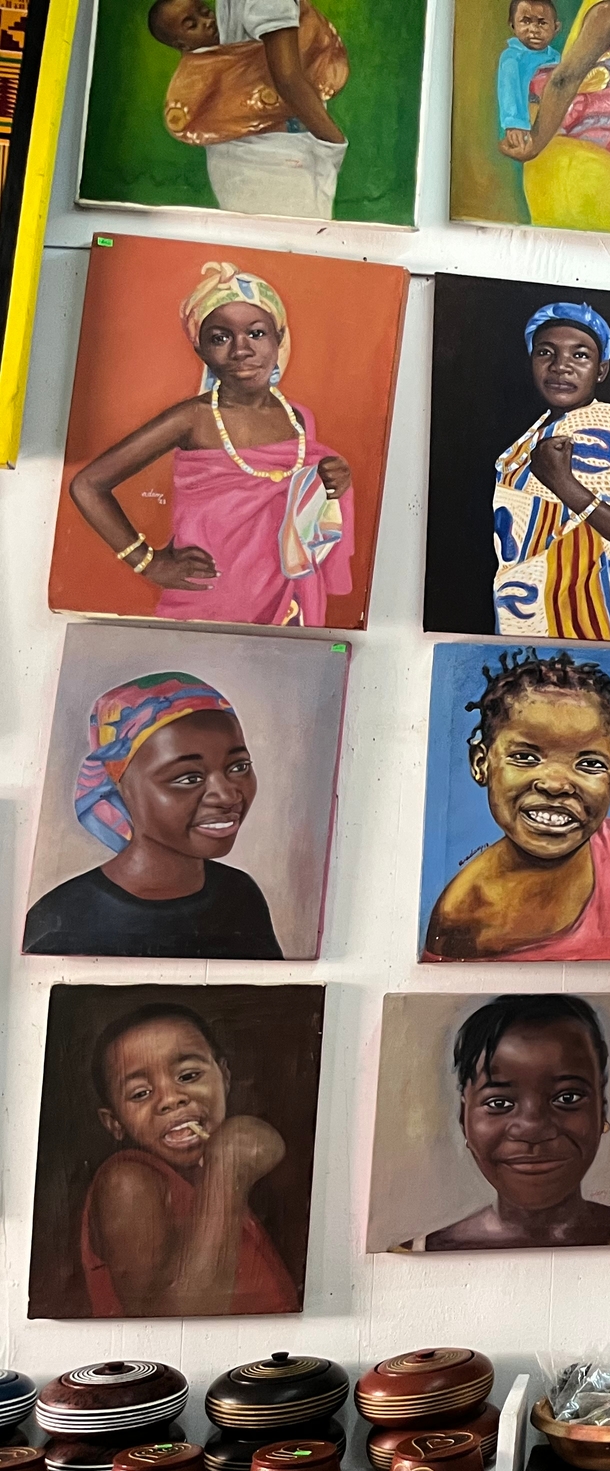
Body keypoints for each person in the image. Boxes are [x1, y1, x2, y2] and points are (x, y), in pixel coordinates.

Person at [68, 262, 355, 628]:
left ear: (279, 337)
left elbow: (304, 506)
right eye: (220, 338)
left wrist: (333, 481)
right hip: (209, 598)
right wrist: (147, 562)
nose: (241, 350)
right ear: (200, 349)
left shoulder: (299, 418)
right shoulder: (192, 418)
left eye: (256, 333)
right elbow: (87, 484)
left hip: (287, 600)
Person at [423, 649, 610, 961]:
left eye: (590, 763)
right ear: (481, 764)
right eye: (525, 757)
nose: (556, 784)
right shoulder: (463, 917)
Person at [399, 995, 610, 1249]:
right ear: (463, 1118)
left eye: (567, 1098)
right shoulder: (412, 1255)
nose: (532, 1128)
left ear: (602, 1110)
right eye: (499, 1103)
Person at [24, 673, 282, 960]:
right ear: (119, 787)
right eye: (188, 778)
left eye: (239, 767)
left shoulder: (239, 896)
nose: (227, 795)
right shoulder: (60, 922)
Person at [80, 1003, 297, 1315]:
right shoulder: (127, 1181)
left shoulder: (202, 1176)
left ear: (224, 1077)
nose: (171, 1099)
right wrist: (228, 1166)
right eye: (140, 1093)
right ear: (114, 1122)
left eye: (189, 1075)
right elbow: (172, 1321)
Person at [492, 302, 610, 641]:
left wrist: (565, 485)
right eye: (545, 352)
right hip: (523, 613)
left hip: (589, 619)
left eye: (579, 355)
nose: (560, 366)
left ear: (601, 370)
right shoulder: (528, 440)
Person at [147, 0, 347, 218]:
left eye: (205, 12)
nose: (207, 22)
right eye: (192, 25)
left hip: (252, 159)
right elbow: (287, 78)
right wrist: (333, 141)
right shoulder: (201, 65)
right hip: (273, 158)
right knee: (291, 233)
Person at [503, 0, 610, 235]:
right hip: (578, 167)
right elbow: (563, 80)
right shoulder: (608, 11)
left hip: (578, 162)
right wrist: (534, 145)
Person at [496, 0, 560, 154]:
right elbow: (509, 90)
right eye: (525, 22)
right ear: (513, 25)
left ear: (556, 28)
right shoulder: (512, 57)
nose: (534, 30)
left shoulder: (556, 57)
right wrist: (515, 124)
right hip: (526, 126)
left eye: (542, 23)